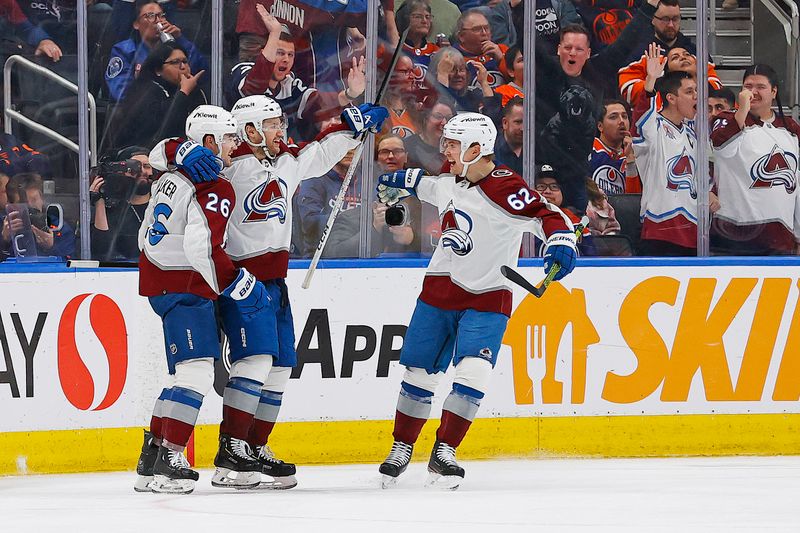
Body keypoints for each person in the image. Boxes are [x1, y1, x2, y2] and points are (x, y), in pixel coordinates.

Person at [165, 95, 388, 485]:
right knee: (255, 361)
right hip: (241, 279)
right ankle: (231, 448)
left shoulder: (285, 159)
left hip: (276, 280)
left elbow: (320, 153)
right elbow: (163, 157)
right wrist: (180, 149)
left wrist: (352, 128)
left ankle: (254, 444)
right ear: (249, 130)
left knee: (283, 365)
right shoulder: (225, 169)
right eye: (271, 124)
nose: (280, 130)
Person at [374, 113, 577, 489]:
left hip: (488, 294)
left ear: (475, 148)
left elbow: (547, 215)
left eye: (452, 143)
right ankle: (402, 446)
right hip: (439, 290)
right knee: (419, 373)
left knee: (474, 373)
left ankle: (445, 450)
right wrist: (397, 182)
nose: (444, 149)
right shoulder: (452, 180)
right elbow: (427, 186)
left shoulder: (505, 188)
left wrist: (561, 242)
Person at [135, 105, 276, 494]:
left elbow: (160, 156)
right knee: (196, 373)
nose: (235, 144)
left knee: (181, 375)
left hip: (161, 283)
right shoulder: (214, 186)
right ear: (210, 141)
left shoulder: (172, 174)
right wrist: (238, 285)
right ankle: (170, 459)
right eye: (229, 137)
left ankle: (151, 459)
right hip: (186, 286)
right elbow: (205, 248)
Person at [534, 0, 658, 211]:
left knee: (584, 233)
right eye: (568, 48)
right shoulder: (547, 72)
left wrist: (649, 7)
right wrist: (518, 7)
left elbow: (624, 43)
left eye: (579, 49)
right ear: (558, 49)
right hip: (543, 172)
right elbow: (528, 40)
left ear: (589, 53)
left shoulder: (597, 72)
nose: (572, 53)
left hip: (580, 174)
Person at [225, 6, 367, 141]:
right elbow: (253, 89)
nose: (286, 59)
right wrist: (275, 33)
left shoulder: (290, 84)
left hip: (276, 159)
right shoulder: (243, 71)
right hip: (245, 158)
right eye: (280, 53)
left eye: (290, 55)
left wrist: (350, 93)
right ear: (265, 52)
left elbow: (318, 103)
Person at [710, 64, 800, 255]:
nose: (753, 92)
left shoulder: (791, 128)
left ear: (774, 91)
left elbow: (796, 184)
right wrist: (741, 111)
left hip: (781, 239)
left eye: (760, 87)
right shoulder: (725, 119)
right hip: (731, 237)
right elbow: (721, 147)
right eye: (748, 86)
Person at [632, 45, 700, 256]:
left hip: (693, 231)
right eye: (689, 92)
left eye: (696, 91)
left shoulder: (691, 134)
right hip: (659, 232)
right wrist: (651, 81)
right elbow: (642, 114)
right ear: (671, 98)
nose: (696, 96)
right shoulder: (655, 127)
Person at [109, 42, 206, 151]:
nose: (183, 67)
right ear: (158, 70)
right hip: (143, 154)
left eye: (185, 61)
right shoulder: (144, 91)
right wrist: (183, 92)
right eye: (175, 62)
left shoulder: (187, 89)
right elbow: (163, 127)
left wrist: (193, 91)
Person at [105, 0, 207, 102]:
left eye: (161, 15)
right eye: (150, 16)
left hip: (176, 104)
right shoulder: (124, 50)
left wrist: (180, 39)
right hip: (141, 110)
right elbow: (120, 91)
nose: (158, 21)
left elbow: (202, 73)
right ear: (136, 24)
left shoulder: (175, 47)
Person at [90, 147, 155, 261]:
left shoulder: (161, 205)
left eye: (146, 166)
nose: (142, 172)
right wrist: (99, 200)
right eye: (135, 167)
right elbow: (101, 250)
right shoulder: (112, 208)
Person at [619, 46, 722, 110]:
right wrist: (652, 79)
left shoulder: (713, 92)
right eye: (675, 58)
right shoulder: (657, 99)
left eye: (687, 54)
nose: (683, 57)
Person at [1, 172, 75, 259]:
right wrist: (4, 240)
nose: (30, 206)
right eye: (23, 203)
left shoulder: (58, 227)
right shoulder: (4, 225)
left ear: (42, 198)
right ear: (12, 205)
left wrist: (51, 246)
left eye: (34, 199)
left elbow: (70, 264)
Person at [372, 135, 419, 255]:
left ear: (406, 157)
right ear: (377, 158)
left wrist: (413, 239)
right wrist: (374, 229)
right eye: (384, 152)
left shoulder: (420, 190)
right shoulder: (364, 188)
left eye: (397, 151)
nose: (391, 156)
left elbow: (436, 238)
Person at [591, 99, 640, 195]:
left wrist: (630, 159)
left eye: (624, 116)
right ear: (600, 126)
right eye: (613, 117)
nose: (621, 121)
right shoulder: (588, 149)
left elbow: (633, 201)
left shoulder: (635, 155)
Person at [452, 9, 508, 89]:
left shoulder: (503, 50)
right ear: (461, 36)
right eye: (477, 29)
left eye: (487, 28)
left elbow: (521, 82)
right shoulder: (451, 58)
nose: (484, 33)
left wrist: (501, 59)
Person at [404, 100, 454, 174]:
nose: (444, 122)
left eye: (449, 118)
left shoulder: (457, 147)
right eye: (438, 116)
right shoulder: (407, 146)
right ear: (425, 117)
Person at [493, 96, 523, 175]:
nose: (523, 128)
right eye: (518, 122)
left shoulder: (541, 149)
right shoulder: (490, 150)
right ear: (505, 123)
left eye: (527, 122)